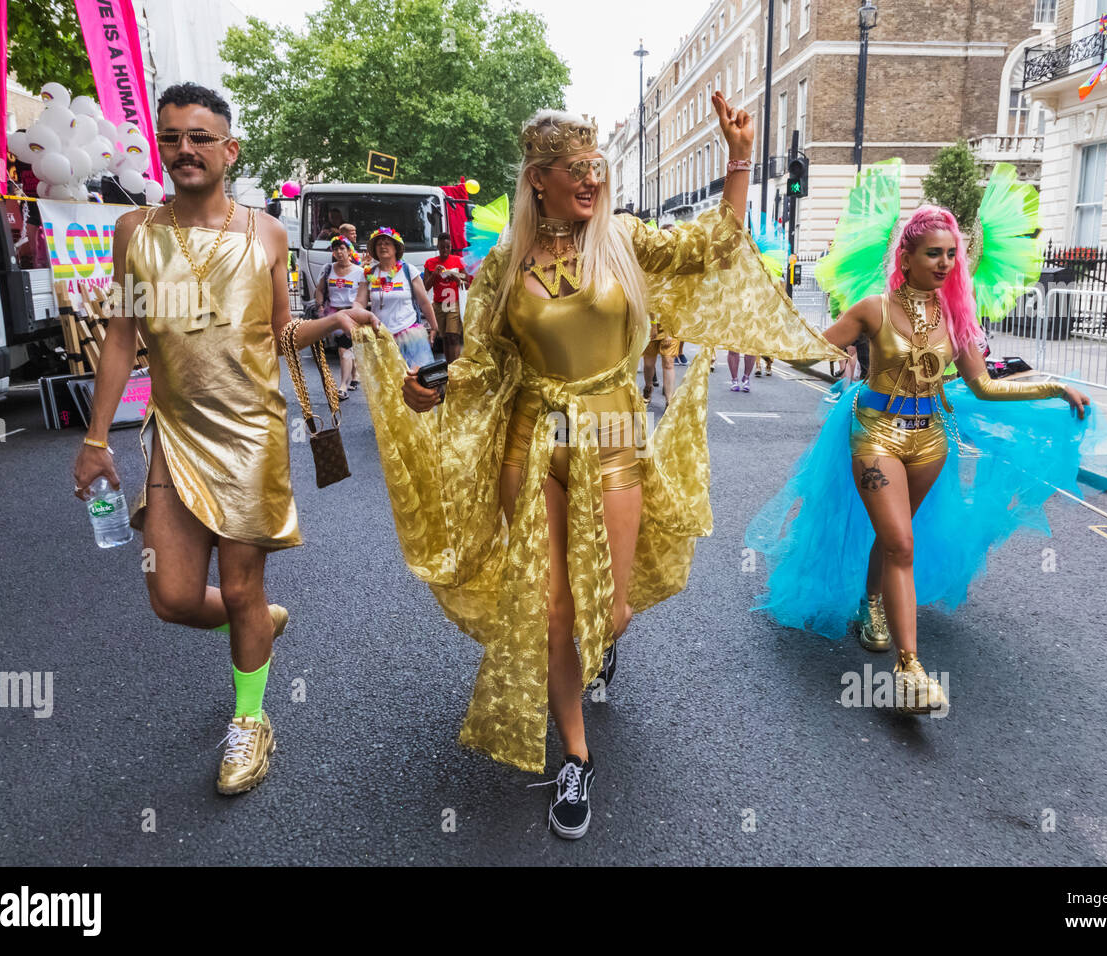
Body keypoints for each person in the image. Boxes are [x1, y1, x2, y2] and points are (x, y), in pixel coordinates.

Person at [352, 95, 843, 840]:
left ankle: (604, 643)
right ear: (539, 179)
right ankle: (576, 756)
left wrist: (741, 157)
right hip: (532, 439)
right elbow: (482, 363)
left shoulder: (625, 239)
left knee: (606, 609)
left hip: (614, 429)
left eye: (597, 168)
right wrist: (431, 390)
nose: (590, 180)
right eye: (574, 170)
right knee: (554, 609)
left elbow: (716, 242)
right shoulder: (504, 267)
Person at [71, 83, 377, 795]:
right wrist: (93, 439)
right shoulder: (135, 231)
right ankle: (258, 626)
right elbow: (122, 336)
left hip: (250, 439)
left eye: (200, 137)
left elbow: (278, 334)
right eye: (173, 137)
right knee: (172, 596)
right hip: (173, 436)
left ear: (228, 150)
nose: (185, 149)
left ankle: (250, 721)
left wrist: (331, 325)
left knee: (240, 587)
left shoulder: (266, 232)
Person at [748, 195, 1097, 714]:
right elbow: (807, 349)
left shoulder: (955, 318)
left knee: (896, 541)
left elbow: (983, 386)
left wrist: (1049, 387)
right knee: (901, 543)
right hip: (875, 435)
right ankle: (909, 669)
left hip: (930, 440)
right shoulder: (873, 309)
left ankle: (871, 602)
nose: (944, 264)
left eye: (951, 255)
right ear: (906, 257)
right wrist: (773, 323)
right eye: (934, 253)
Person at [355, 227, 437, 370]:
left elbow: (424, 301)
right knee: (388, 386)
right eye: (379, 243)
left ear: (395, 248)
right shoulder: (369, 274)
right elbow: (359, 302)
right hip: (380, 336)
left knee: (414, 383)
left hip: (409, 336)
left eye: (387, 243)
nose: (382, 246)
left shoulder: (408, 270)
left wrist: (434, 327)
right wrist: (354, 314)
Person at [317, 236, 366, 398]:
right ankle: (355, 376)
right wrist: (320, 306)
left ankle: (343, 386)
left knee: (343, 348)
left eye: (342, 248)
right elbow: (320, 290)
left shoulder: (359, 272)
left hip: (351, 315)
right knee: (347, 347)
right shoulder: (328, 269)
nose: (338, 252)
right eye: (336, 249)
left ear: (349, 251)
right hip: (333, 315)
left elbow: (364, 295)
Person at [424, 232, 470, 361]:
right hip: (439, 304)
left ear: (451, 247)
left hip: (453, 302)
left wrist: (456, 279)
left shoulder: (458, 261)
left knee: (453, 336)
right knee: (444, 337)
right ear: (438, 246)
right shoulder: (430, 263)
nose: (445, 250)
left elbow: (467, 283)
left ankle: (455, 367)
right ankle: (449, 366)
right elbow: (425, 287)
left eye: (448, 247)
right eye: (442, 247)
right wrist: (434, 275)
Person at [641, 315, 678, 404]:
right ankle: (648, 388)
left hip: (670, 325)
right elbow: (650, 303)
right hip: (650, 323)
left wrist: (668, 332)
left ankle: (669, 400)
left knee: (668, 362)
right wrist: (653, 325)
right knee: (648, 364)